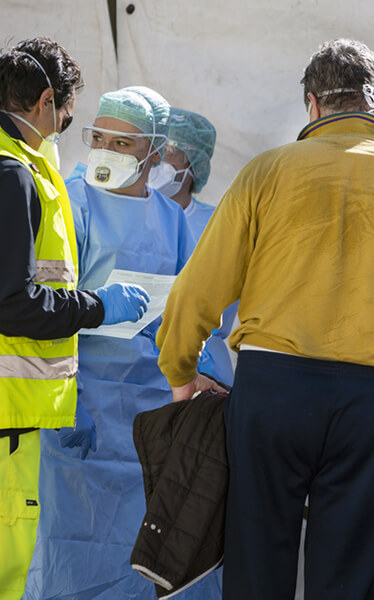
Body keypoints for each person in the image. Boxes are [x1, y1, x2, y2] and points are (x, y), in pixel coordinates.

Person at [155, 38, 374, 600]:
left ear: (313, 104)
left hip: (272, 388)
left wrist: (180, 371)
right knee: (348, 573)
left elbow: (197, 290)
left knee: (257, 563)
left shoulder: (266, 172)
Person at [22, 86, 216, 600]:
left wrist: (196, 368)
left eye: (123, 143)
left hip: (149, 415)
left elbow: (188, 315)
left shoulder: (174, 221)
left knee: (140, 550)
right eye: (99, 137)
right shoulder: (70, 201)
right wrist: (67, 401)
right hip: (81, 401)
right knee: (73, 547)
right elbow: (42, 305)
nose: (106, 151)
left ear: (154, 151)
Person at [0, 38, 149, 600]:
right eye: (67, 117)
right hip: (7, 414)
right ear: (44, 102)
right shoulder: (15, 175)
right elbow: (13, 301)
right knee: (9, 567)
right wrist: (97, 306)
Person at [149, 107, 237, 387]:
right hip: (136, 365)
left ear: (193, 163)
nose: (157, 158)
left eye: (169, 150)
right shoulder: (130, 215)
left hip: (204, 365)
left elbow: (221, 305)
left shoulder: (219, 223)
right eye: (155, 145)